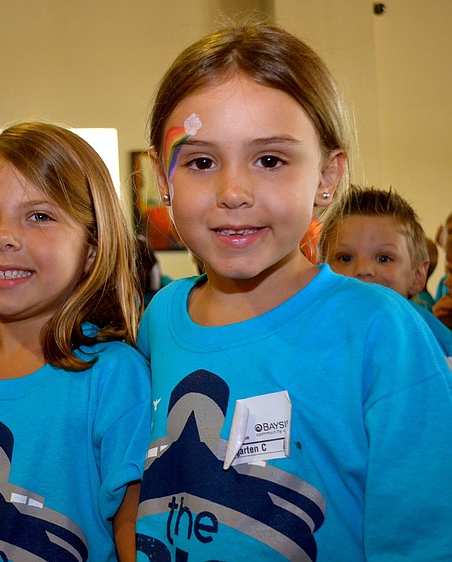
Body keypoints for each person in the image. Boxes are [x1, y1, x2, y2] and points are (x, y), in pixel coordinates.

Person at [136, 21, 452, 560]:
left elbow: (421, 535)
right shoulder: (161, 318)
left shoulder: (380, 330)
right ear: (164, 180)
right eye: (201, 161)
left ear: (327, 176)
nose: (233, 191)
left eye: (270, 160)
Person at [0, 122, 150, 561]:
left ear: (91, 250)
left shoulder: (112, 379)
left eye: (39, 216)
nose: (3, 235)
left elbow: (134, 534)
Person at [318, 185, 452, 358]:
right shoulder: (309, 340)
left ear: (417, 276)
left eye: (383, 258)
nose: (363, 270)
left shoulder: (437, 348)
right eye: (345, 258)